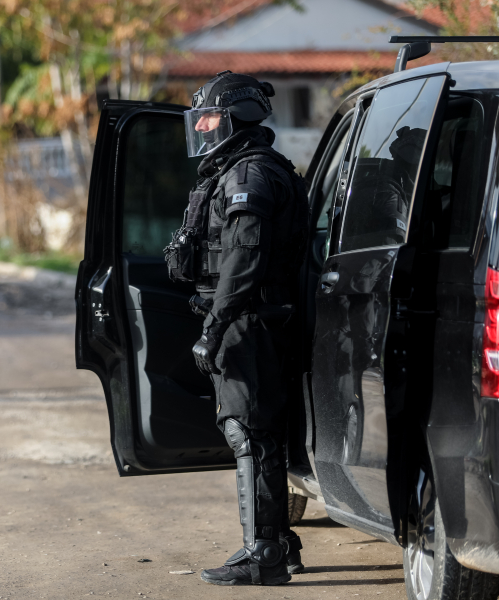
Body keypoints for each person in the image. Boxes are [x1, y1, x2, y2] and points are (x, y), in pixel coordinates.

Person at [171, 71, 310, 586]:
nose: (203, 124)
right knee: (257, 432)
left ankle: (264, 553)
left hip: (247, 321)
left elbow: (243, 261)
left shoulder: (250, 175)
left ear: (238, 117)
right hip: (244, 318)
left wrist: (216, 324)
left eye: (210, 115)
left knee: (249, 434)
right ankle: (281, 542)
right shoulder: (240, 169)